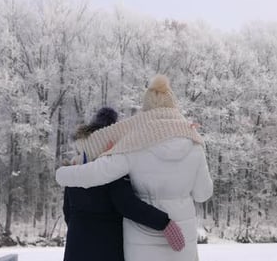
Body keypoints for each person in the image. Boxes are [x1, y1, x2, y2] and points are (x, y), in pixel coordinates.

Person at [56, 75, 213, 261]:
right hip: (182, 239)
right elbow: (203, 194)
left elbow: (97, 173)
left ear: (146, 109)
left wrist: (63, 174)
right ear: (174, 106)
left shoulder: (134, 144)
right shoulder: (195, 145)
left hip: (141, 242)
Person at [62, 107, 185, 261]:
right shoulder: (110, 168)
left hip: (75, 248)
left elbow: (67, 211)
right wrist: (165, 222)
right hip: (106, 248)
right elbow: (128, 205)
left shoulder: (75, 166)